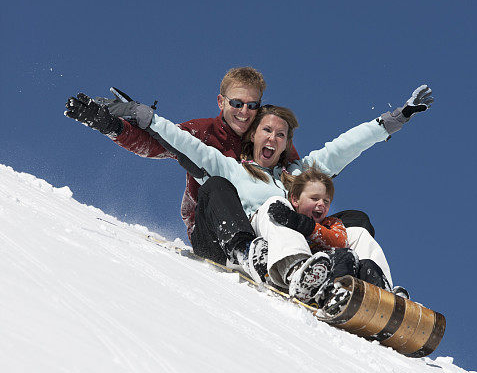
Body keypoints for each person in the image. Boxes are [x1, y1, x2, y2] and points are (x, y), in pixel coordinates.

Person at [65, 85, 434, 304]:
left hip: (291, 240)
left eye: (281, 135)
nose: (273, 139)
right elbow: (181, 142)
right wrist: (141, 116)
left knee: (357, 224)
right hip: (234, 242)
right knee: (236, 194)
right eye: (267, 131)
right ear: (253, 136)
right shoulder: (229, 166)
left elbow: (342, 148)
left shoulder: (295, 174)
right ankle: (281, 266)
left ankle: (375, 286)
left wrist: (395, 119)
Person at [63, 66, 374, 248]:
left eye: (253, 106)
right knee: (218, 186)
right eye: (237, 103)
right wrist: (111, 124)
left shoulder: (272, 141)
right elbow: (153, 144)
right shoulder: (203, 133)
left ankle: (357, 276)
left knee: (353, 219)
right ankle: (245, 251)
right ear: (221, 101)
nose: (244, 112)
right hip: (216, 230)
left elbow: (307, 175)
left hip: (271, 228)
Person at [274, 166, 394, 292]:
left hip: (329, 263)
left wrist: (310, 228)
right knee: (345, 257)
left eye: (326, 201)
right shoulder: (288, 219)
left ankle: (384, 292)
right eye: (314, 198)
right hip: (309, 271)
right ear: (295, 199)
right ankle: (331, 291)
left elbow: (340, 242)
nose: (321, 204)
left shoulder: (332, 223)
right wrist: (296, 222)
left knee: (362, 264)